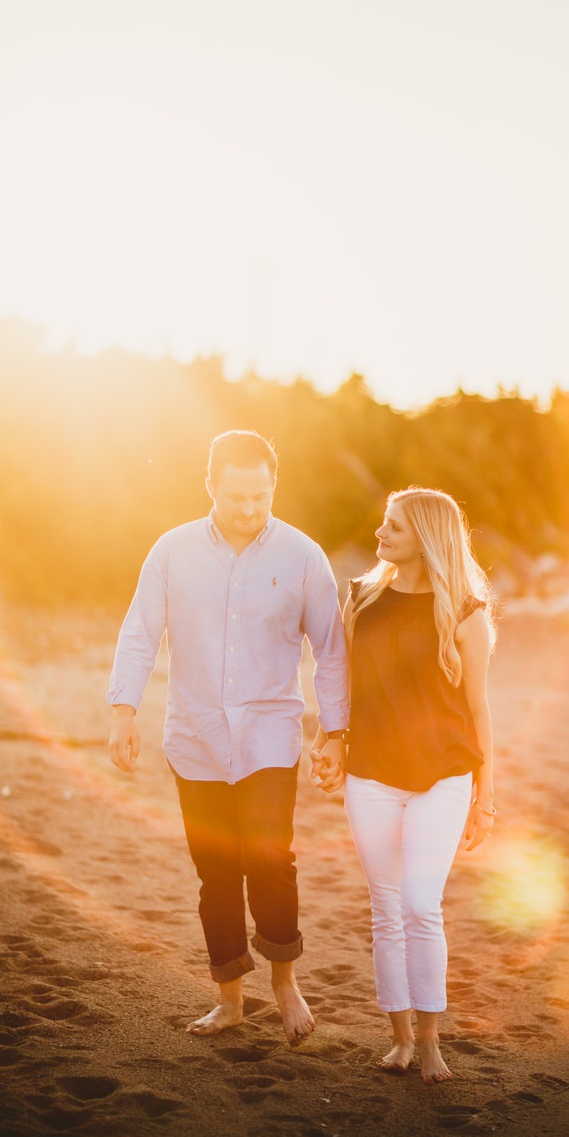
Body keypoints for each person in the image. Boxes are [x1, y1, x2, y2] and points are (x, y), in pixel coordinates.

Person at [106, 430, 348, 1044]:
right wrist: (123, 710)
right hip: (196, 737)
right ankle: (230, 999)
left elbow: (332, 651)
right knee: (215, 873)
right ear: (210, 486)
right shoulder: (171, 551)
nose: (248, 508)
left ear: (273, 488)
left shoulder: (302, 556)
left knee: (271, 861)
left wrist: (335, 731)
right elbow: (140, 632)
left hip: (271, 734)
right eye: (236, 496)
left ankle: (285, 984)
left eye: (260, 496)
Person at [311, 488, 497, 1084]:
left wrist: (484, 797)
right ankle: (398, 1039)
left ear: (426, 536)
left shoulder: (467, 613)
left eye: (393, 527)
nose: (380, 535)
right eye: (384, 525)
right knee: (385, 909)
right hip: (371, 774)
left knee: (421, 903)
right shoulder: (362, 598)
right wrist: (330, 739)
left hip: (442, 776)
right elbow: (337, 679)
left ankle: (432, 1040)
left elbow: (479, 710)